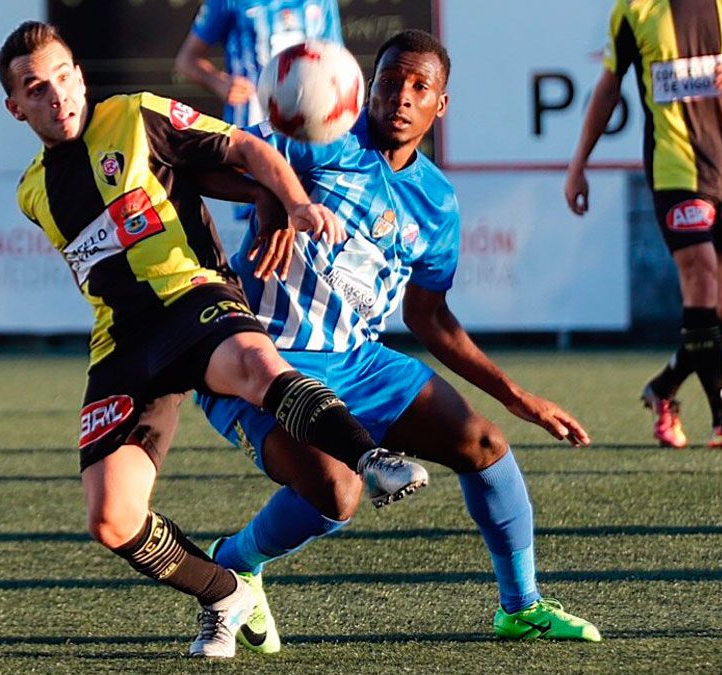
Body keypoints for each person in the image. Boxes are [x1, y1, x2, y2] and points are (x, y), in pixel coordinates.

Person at [0, 20, 429, 659]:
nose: (55, 95)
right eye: (36, 89)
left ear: (80, 76)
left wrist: (293, 201)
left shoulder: (136, 115)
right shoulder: (32, 192)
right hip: (122, 344)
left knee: (255, 365)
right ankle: (224, 592)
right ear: (16, 107)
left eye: (62, 77)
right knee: (111, 519)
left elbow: (244, 150)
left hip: (194, 295)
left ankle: (370, 460)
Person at [193, 29, 602, 653]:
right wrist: (269, 194)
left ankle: (521, 607)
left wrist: (518, 396)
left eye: (420, 87)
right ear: (366, 88)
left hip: (357, 362)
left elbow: (430, 317)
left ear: (442, 105)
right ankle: (236, 561)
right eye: (390, 83)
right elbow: (200, 170)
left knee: (485, 444)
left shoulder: (438, 201)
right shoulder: (315, 140)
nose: (401, 98)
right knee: (338, 491)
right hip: (257, 359)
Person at [565, 0, 722, 449]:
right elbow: (607, 89)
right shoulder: (634, 10)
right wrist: (578, 165)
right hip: (675, 172)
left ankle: (664, 386)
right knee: (701, 276)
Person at [175, 0, 343, 130]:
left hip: (307, 129)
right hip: (250, 130)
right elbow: (186, 60)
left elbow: (337, 61)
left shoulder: (323, 2)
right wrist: (218, 82)